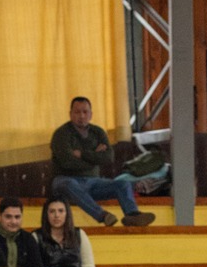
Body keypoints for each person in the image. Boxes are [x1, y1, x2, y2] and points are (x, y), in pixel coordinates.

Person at [50, 96, 154, 226]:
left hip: (93, 182)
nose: (81, 116)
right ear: (70, 114)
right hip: (67, 180)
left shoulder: (98, 132)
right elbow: (68, 162)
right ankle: (103, 216)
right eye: (77, 112)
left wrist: (81, 154)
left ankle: (132, 215)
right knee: (66, 184)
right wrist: (95, 157)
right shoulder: (61, 134)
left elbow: (108, 158)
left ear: (91, 114)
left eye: (85, 112)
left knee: (123, 184)